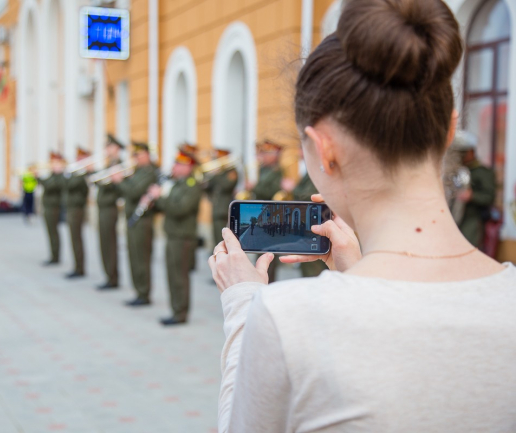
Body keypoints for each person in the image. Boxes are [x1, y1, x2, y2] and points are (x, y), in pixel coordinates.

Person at [209, 0, 516, 431]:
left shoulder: (286, 318)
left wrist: (243, 306)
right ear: (450, 130)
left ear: (325, 150)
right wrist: (356, 272)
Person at [149, 149, 202, 325]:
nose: (175, 167)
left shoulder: (192, 185)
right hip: (173, 235)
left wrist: (159, 198)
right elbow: (167, 206)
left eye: (179, 164)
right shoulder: (177, 184)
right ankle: (175, 310)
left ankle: (180, 313)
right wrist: (154, 200)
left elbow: (180, 209)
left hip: (183, 237)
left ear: (189, 167)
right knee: (172, 275)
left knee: (179, 276)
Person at [113, 142, 158, 306]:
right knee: (133, 256)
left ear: (147, 155)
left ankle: (144, 293)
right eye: (135, 155)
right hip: (133, 220)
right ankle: (138, 291)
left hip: (142, 221)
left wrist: (119, 181)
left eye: (139, 155)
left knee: (141, 258)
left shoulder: (149, 173)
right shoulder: (137, 171)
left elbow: (133, 192)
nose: (136, 158)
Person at [450, 131, 497, 249]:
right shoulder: (456, 171)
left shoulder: (482, 172)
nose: (459, 156)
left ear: (470, 152)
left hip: (472, 220)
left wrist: (472, 196)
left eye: (462, 153)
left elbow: (489, 197)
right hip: (454, 218)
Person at [249, 140, 283, 282]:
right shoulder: (263, 169)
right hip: (261, 214)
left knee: (269, 254)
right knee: (260, 250)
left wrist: (254, 187)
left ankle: (269, 283)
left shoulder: (278, 171)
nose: (264, 156)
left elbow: (272, 191)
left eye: (267, 153)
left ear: (275, 155)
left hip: (271, 216)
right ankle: (260, 280)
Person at [293, 156, 329, 277]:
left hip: (314, 220)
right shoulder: (311, 169)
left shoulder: (318, 170)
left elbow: (309, 195)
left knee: (313, 266)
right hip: (309, 220)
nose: (300, 153)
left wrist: (292, 189)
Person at [97, 134, 124, 290]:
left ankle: (112, 277)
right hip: (103, 208)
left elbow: (117, 187)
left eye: (109, 147)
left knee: (109, 244)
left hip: (110, 209)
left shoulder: (119, 165)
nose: (106, 150)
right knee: (104, 243)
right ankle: (108, 275)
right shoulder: (109, 164)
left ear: (116, 148)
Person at [65, 147, 94, 279]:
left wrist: (82, 171)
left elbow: (71, 185)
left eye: (81, 158)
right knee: (73, 238)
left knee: (76, 238)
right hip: (71, 207)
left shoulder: (83, 174)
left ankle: (80, 267)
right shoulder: (76, 172)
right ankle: (77, 266)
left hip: (77, 209)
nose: (77, 160)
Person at [204, 148, 239, 248]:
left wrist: (217, 174)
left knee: (223, 238)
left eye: (219, 158)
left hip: (224, 210)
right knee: (216, 238)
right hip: (216, 208)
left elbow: (226, 186)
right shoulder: (218, 173)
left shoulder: (231, 172)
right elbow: (208, 187)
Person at [39, 152, 66, 265]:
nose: (52, 165)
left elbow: (50, 186)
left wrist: (58, 172)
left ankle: (55, 256)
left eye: (55, 163)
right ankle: (53, 255)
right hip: (48, 207)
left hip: (54, 207)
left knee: (53, 232)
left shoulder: (60, 176)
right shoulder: (52, 175)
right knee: (50, 232)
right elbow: (45, 182)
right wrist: (37, 177)